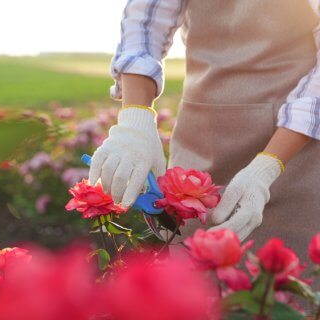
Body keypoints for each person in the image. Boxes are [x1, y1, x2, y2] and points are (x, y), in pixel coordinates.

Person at [89, 0, 320, 261]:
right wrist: (135, 120)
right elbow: (147, 19)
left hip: (292, 151)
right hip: (198, 138)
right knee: (192, 285)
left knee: (278, 290)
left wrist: (268, 165)